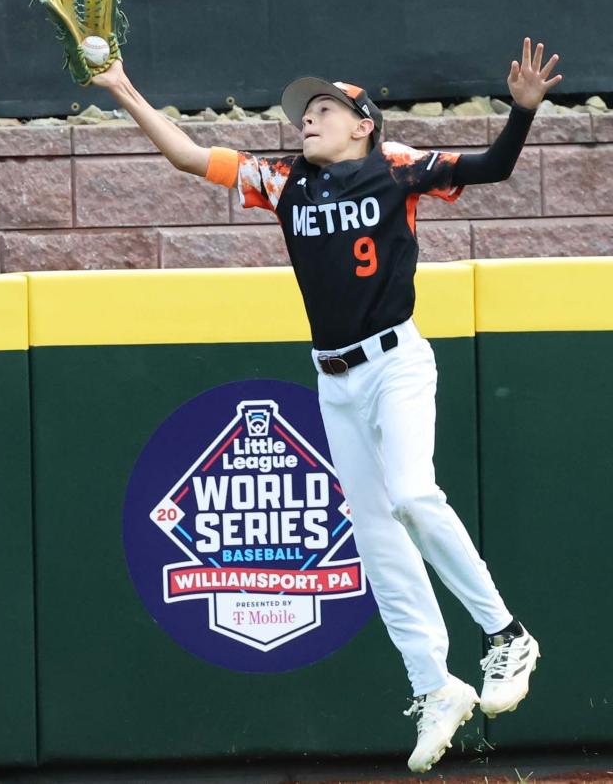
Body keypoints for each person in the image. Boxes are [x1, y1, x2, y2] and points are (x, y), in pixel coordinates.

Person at [93, 37, 561, 773]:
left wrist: (522, 113)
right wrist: (121, 87)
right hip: (335, 380)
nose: (306, 120)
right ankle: (434, 685)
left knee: (411, 492)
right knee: (376, 535)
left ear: (362, 123)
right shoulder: (284, 181)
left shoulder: (396, 167)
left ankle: (506, 633)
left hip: (396, 363)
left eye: (321, 110)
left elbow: (493, 167)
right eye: (303, 112)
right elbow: (188, 156)